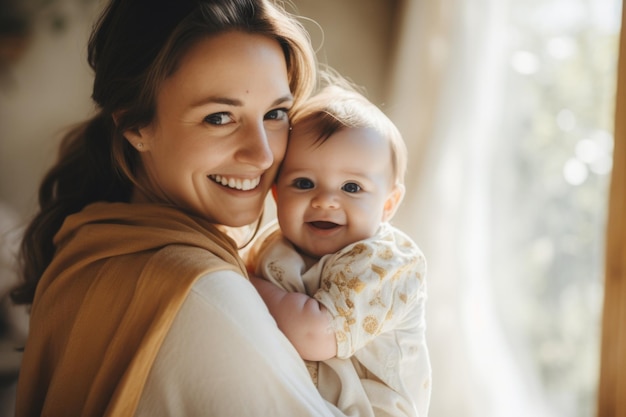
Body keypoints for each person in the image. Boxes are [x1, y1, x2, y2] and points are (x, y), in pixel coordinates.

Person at [9, 0, 351, 415]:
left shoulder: (91, 243)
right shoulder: (203, 294)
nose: (262, 154)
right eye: (219, 118)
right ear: (136, 126)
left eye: (276, 113)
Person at [246, 84, 432, 417]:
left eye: (351, 187)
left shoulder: (387, 263)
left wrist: (242, 283)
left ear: (388, 204)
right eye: (304, 183)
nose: (325, 200)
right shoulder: (272, 244)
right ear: (276, 194)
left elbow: (313, 333)